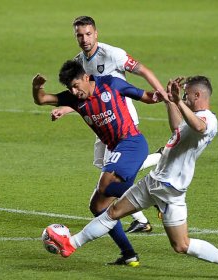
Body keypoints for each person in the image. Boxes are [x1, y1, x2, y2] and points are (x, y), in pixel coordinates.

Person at [46, 76, 218, 278]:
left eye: (186, 95)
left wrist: (178, 102)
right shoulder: (191, 116)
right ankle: (70, 244)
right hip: (155, 181)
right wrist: (170, 101)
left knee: (181, 245)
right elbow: (177, 128)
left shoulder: (209, 119)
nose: (184, 98)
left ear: (198, 95)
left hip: (171, 191)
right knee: (112, 212)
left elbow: (199, 127)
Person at [32, 60, 166, 266]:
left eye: (76, 85)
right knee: (97, 206)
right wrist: (37, 86)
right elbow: (41, 100)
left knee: (105, 185)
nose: (74, 91)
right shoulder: (74, 99)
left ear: (86, 77)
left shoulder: (111, 84)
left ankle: (153, 195)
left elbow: (145, 96)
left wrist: (158, 96)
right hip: (116, 149)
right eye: (70, 88)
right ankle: (128, 254)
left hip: (132, 143)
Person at [52, 16, 166, 233]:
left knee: (113, 172)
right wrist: (66, 109)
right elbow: (83, 96)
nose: (84, 39)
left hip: (121, 118)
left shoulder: (112, 54)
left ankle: (142, 212)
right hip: (101, 121)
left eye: (88, 34)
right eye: (79, 35)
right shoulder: (79, 63)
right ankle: (157, 163)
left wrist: (161, 93)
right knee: (103, 166)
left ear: (96, 33)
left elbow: (143, 70)